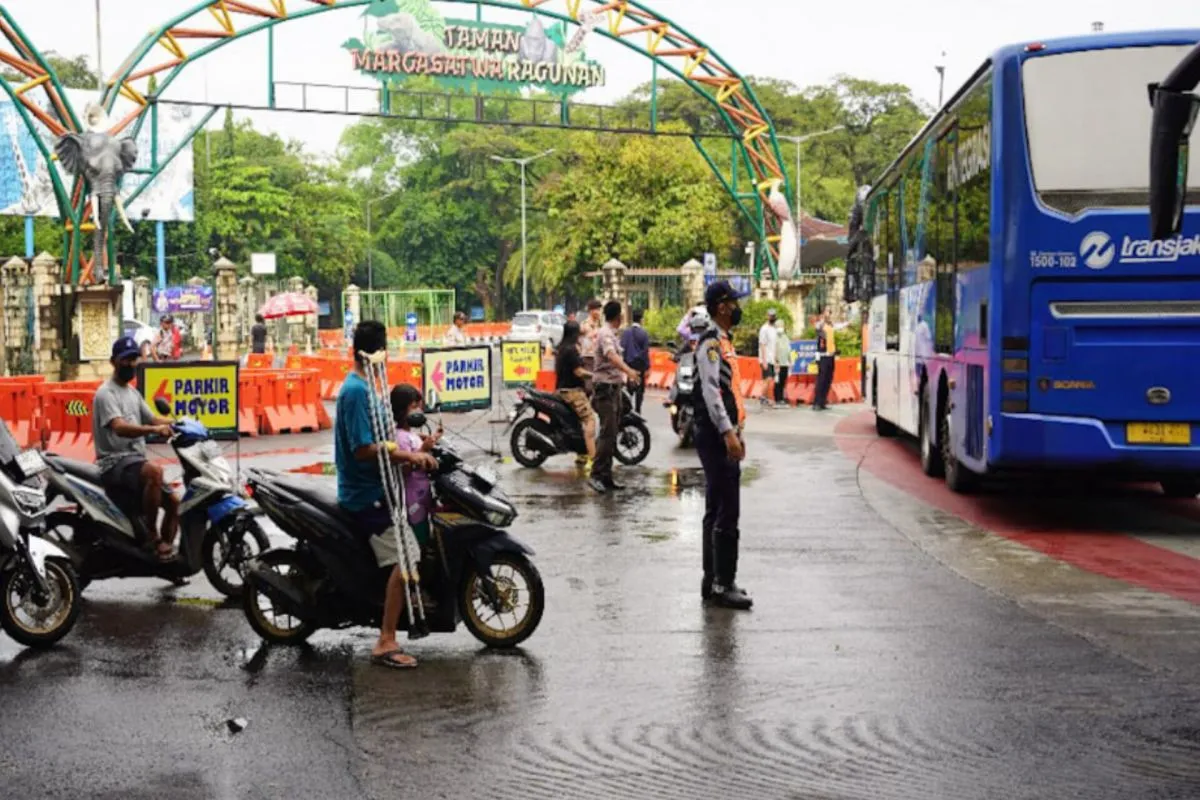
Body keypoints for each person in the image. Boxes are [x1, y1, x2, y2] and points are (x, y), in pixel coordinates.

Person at [336, 320, 440, 670]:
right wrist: (406, 455)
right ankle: (386, 640)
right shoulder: (355, 392)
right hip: (365, 494)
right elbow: (362, 448)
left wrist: (416, 447)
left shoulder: (369, 385)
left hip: (382, 488)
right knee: (407, 555)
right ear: (377, 352)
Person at [693, 281, 753, 610]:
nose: (736, 308)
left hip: (722, 432)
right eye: (733, 303)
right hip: (716, 435)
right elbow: (712, 391)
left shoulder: (724, 341)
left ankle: (713, 579)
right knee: (727, 508)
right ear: (721, 307)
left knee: (717, 506)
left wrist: (737, 430)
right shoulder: (711, 343)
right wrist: (728, 433)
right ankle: (722, 583)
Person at [93, 336, 179, 562]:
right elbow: (119, 427)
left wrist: (179, 423)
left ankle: (165, 555)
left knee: (175, 503)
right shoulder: (106, 393)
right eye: (126, 360)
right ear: (113, 362)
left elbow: (153, 418)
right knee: (155, 472)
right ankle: (151, 535)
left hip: (135, 461)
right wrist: (154, 430)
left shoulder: (133, 393)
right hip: (114, 462)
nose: (131, 364)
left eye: (134, 359)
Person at [589, 300, 642, 495]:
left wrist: (626, 377)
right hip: (605, 390)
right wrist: (629, 371)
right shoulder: (605, 334)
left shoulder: (612, 334)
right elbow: (611, 356)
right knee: (607, 433)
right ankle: (596, 475)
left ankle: (606, 475)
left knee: (612, 433)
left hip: (614, 388)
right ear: (619, 316)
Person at [390, 383, 444, 550]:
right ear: (401, 411)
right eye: (414, 408)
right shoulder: (400, 437)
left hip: (423, 493)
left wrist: (433, 439)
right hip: (412, 499)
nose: (418, 412)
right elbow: (404, 468)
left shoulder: (411, 434)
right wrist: (424, 449)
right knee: (418, 535)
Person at [555, 321, 596, 467]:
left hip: (562, 390)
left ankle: (582, 454)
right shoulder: (571, 350)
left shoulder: (561, 348)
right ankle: (593, 460)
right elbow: (578, 371)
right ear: (574, 334)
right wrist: (594, 376)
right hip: (573, 392)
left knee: (576, 423)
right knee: (590, 421)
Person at [620, 308, 651, 413]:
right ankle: (638, 410)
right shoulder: (644, 333)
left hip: (628, 365)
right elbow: (645, 351)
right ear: (641, 319)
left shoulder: (626, 332)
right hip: (640, 365)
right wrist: (647, 367)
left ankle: (628, 410)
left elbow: (622, 348)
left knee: (629, 389)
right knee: (639, 390)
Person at [813, 308, 836, 411]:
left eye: (830, 312)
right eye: (827, 311)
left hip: (830, 355)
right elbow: (817, 329)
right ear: (823, 313)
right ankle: (817, 403)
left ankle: (823, 401)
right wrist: (824, 319)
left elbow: (838, 327)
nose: (829, 313)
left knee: (828, 379)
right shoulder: (820, 324)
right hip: (822, 356)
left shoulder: (830, 325)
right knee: (821, 380)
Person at [758, 308, 779, 407]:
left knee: (770, 379)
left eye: (773, 316)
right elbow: (762, 344)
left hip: (773, 358)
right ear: (767, 316)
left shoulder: (775, 329)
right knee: (768, 378)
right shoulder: (764, 329)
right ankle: (765, 397)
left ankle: (764, 397)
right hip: (766, 358)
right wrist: (764, 361)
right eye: (771, 316)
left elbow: (775, 344)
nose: (772, 317)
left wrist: (776, 360)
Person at [774, 318, 792, 407]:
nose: (780, 327)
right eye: (778, 326)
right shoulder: (774, 337)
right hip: (778, 363)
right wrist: (776, 361)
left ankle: (782, 398)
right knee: (778, 382)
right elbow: (774, 350)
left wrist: (790, 361)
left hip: (785, 363)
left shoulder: (785, 337)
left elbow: (788, 350)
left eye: (781, 326)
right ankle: (778, 399)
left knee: (783, 381)